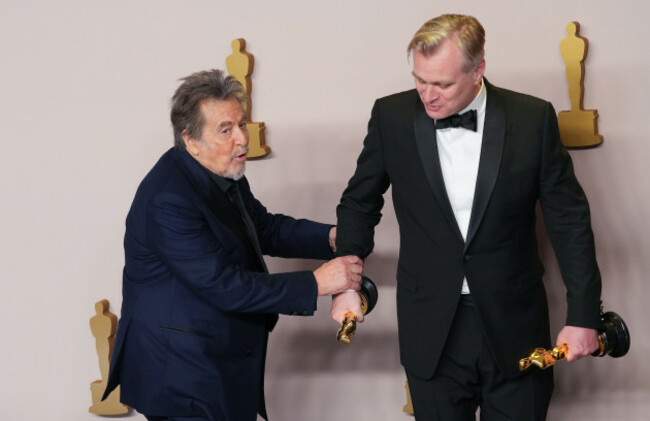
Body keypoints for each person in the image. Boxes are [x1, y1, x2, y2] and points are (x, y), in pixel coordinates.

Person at [332, 14, 602, 420]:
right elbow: (359, 202)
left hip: (516, 324)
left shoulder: (532, 119)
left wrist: (583, 316)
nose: (427, 95)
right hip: (430, 327)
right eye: (419, 79)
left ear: (479, 71)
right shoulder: (392, 117)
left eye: (441, 84)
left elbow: (569, 221)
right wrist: (346, 283)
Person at [102, 69, 363, 421]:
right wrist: (318, 283)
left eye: (241, 124)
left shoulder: (221, 169)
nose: (242, 140)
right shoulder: (167, 199)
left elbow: (263, 228)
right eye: (225, 130)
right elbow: (224, 286)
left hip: (212, 356)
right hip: (179, 372)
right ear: (190, 140)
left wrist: (330, 237)